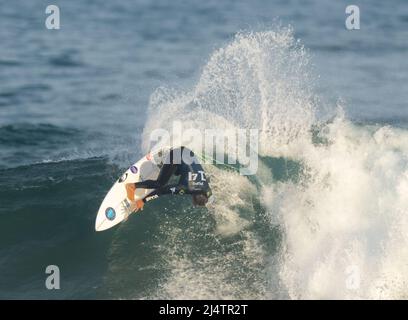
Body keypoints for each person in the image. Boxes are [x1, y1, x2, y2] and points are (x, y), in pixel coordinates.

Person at [125, 146, 212, 212]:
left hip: (187, 152)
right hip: (176, 156)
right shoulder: (186, 188)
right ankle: (132, 186)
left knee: (178, 172)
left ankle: (165, 162)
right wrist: (143, 201)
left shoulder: (207, 189)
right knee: (160, 184)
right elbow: (162, 190)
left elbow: (208, 185)